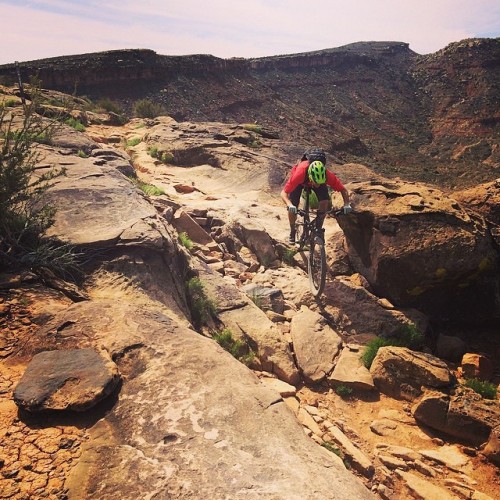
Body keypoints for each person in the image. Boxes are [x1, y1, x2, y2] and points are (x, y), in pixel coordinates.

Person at [280, 148, 352, 244]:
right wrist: (290, 205)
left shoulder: (326, 175)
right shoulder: (299, 173)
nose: (317, 185)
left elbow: (343, 190)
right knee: (293, 204)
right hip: (301, 182)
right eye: (316, 183)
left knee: (324, 202)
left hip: (317, 178)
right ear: (310, 176)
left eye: (320, 183)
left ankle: (318, 229)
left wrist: (347, 204)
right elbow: (284, 193)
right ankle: (292, 230)